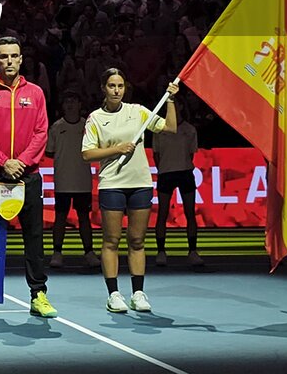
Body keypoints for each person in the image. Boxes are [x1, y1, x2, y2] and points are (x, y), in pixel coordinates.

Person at [0, 37, 58, 319]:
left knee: (34, 238)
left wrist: (20, 162)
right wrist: (3, 161)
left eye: (14, 56)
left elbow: (41, 133)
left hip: (28, 175)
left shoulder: (36, 94)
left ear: (21, 59)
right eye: (4, 56)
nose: (9, 61)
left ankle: (38, 294)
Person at [81, 69, 178, 313]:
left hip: (140, 183)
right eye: (112, 85)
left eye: (120, 86)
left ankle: (138, 293)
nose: (116, 90)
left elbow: (171, 128)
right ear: (103, 87)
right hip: (112, 184)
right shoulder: (95, 118)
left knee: (137, 240)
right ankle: (113, 294)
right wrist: (117, 149)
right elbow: (87, 154)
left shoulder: (138, 112)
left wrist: (171, 100)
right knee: (111, 240)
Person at [46, 91, 100, 269]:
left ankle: (89, 252)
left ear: (79, 104)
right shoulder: (56, 127)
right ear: (63, 106)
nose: (70, 104)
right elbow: (49, 151)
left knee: (84, 217)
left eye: (74, 100)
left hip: (82, 181)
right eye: (67, 101)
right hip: (62, 180)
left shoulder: (88, 125)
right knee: (60, 217)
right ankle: (57, 252)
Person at [153, 109, 204, 267]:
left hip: (185, 173)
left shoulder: (189, 130)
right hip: (166, 174)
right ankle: (161, 251)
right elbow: (156, 154)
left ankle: (193, 251)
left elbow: (190, 154)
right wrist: (163, 168)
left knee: (190, 213)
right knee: (162, 212)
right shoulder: (159, 129)